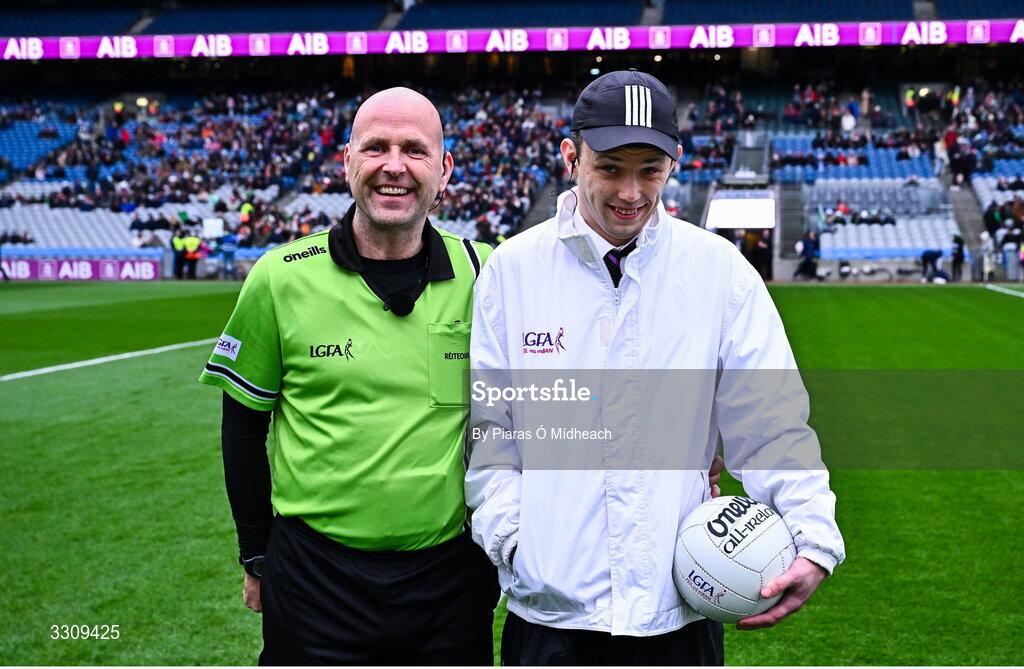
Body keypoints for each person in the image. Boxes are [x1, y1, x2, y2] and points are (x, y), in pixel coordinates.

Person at [466, 70, 845, 665]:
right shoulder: (512, 271)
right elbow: (493, 433)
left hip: (678, 615)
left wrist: (814, 538)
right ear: (571, 156)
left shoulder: (719, 271)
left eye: (650, 170)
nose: (631, 191)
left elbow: (770, 422)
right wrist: (517, 543)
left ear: (675, 163)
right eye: (610, 167)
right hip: (550, 618)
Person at [198, 87, 500, 665]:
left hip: (449, 577)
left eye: (414, 149)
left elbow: (560, 390)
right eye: (376, 147)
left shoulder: (489, 272)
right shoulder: (279, 278)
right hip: (314, 578)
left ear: (445, 169)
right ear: (346, 162)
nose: (394, 165)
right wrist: (255, 554)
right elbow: (241, 430)